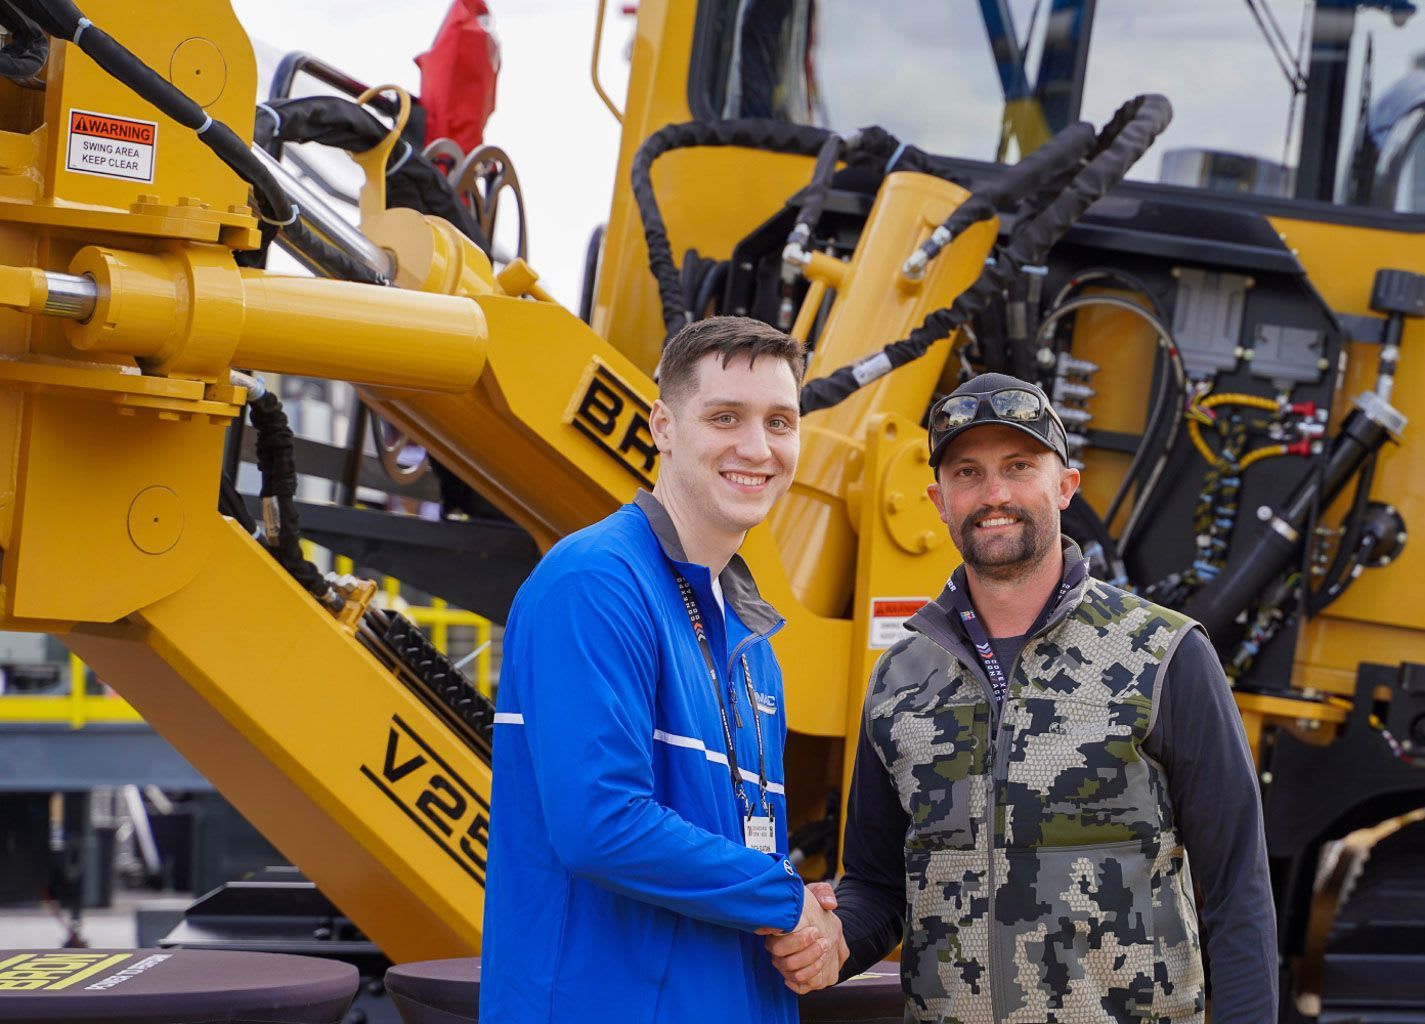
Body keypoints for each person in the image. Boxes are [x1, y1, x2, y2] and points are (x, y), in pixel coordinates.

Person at [765, 372, 1277, 1022]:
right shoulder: (898, 680)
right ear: (938, 499)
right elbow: (876, 886)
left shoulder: (1161, 654)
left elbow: (1236, 887)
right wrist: (831, 939)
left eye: (1018, 466)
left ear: (1064, 484)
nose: (994, 493)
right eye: (967, 473)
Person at [481, 316, 844, 1024]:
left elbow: (733, 848)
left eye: (779, 421)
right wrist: (783, 899)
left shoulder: (752, 639)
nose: (756, 447)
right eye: (724, 417)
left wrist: (809, 919)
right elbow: (601, 823)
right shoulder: (595, 583)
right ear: (663, 426)